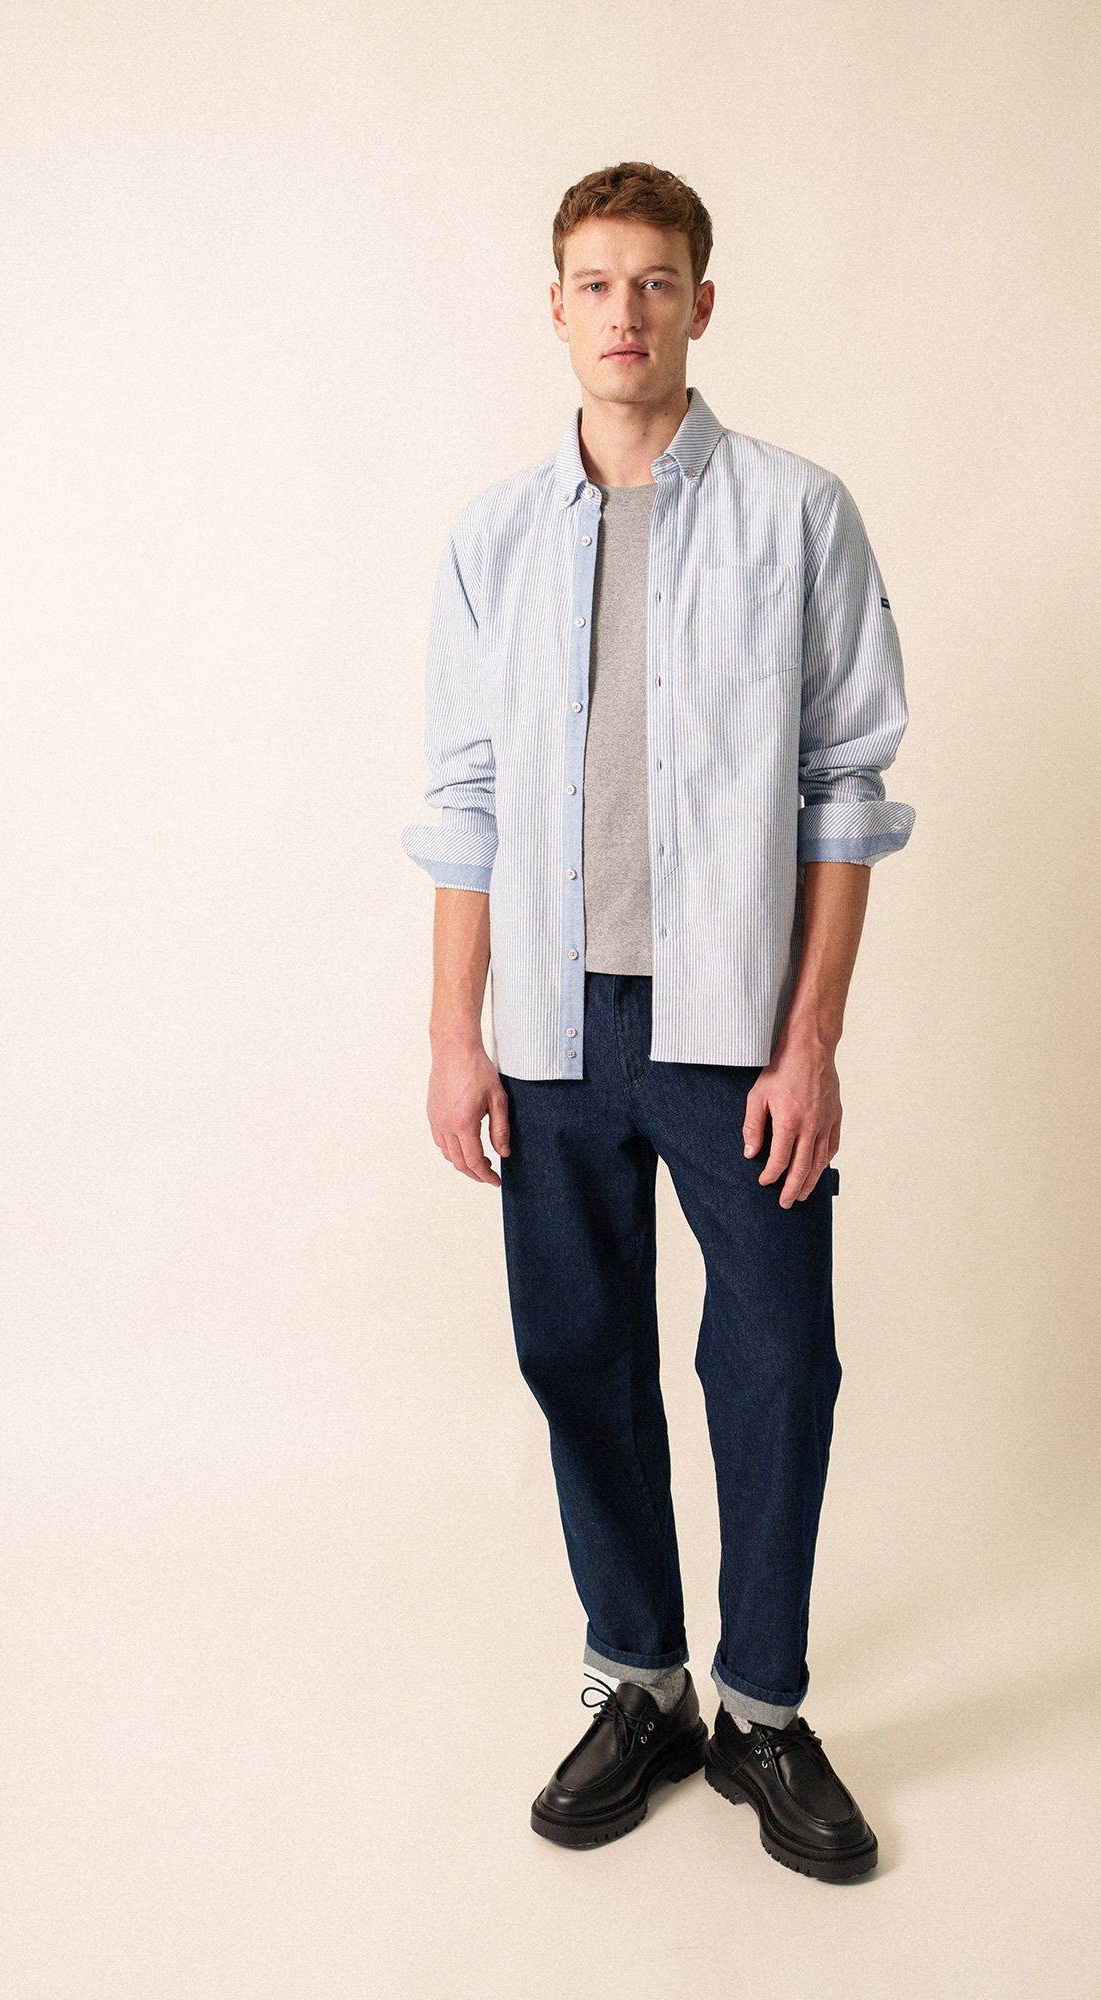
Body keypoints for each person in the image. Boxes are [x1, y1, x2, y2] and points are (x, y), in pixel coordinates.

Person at [403, 161, 914, 1882]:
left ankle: (762, 1708)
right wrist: (455, 1036)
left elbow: (845, 788)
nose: (623, 311)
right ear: (553, 308)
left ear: (702, 301)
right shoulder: (490, 539)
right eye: (594, 281)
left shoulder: (796, 514)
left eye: (654, 280)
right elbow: (465, 804)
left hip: (731, 1027)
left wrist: (809, 1040)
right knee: (580, 1356)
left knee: (775, 1360)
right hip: (550, 1035)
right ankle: (640, 1681)